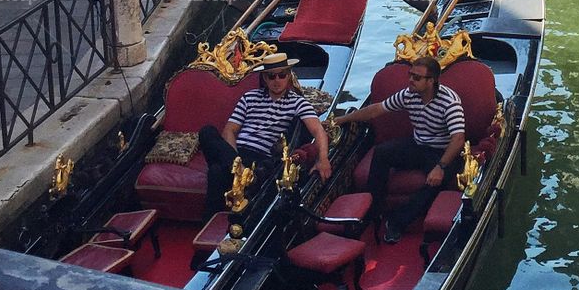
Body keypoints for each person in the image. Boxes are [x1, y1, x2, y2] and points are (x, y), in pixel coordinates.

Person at [336, 56, 465, 244]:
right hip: (418, 145)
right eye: (410, 75)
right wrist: (341, 120)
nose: (411, 80)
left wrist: (440, 167)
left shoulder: (449, 102)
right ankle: (373, 208)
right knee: (381, 152)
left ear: (431, 81)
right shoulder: (409, 94)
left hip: (443, 152)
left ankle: (396, 222)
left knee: (435, 182)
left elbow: (458, 139)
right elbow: (376, 110)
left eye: (417, 78)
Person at [198, 51, 331, 216]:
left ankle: (214, 217)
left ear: (289, 76)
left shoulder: (298, 103)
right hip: (236, 154)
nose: (277, 80)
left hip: (260, 159)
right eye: (271, 76)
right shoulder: (249, 97)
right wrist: (236, 161)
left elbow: (318, 130)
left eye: (281, 75)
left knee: (216, 171)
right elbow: (229, 131)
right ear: (264, 78)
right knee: (207, 132)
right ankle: (243, 175)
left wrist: (323, 159)